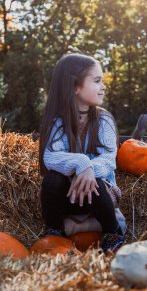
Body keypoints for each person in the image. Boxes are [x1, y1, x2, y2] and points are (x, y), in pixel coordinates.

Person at [39, 53, 126, 252]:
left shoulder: (104, 120)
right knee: (52, 180)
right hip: (67, 196)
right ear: (75, 87)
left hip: (99, 195)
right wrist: (81, 163)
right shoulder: (58, 123)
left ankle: (112, 232)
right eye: (97, 81)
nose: (103, 87)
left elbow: (109, 160)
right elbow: (50, 157)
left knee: (94, 183)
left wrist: (88, 170)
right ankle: (55, 231)